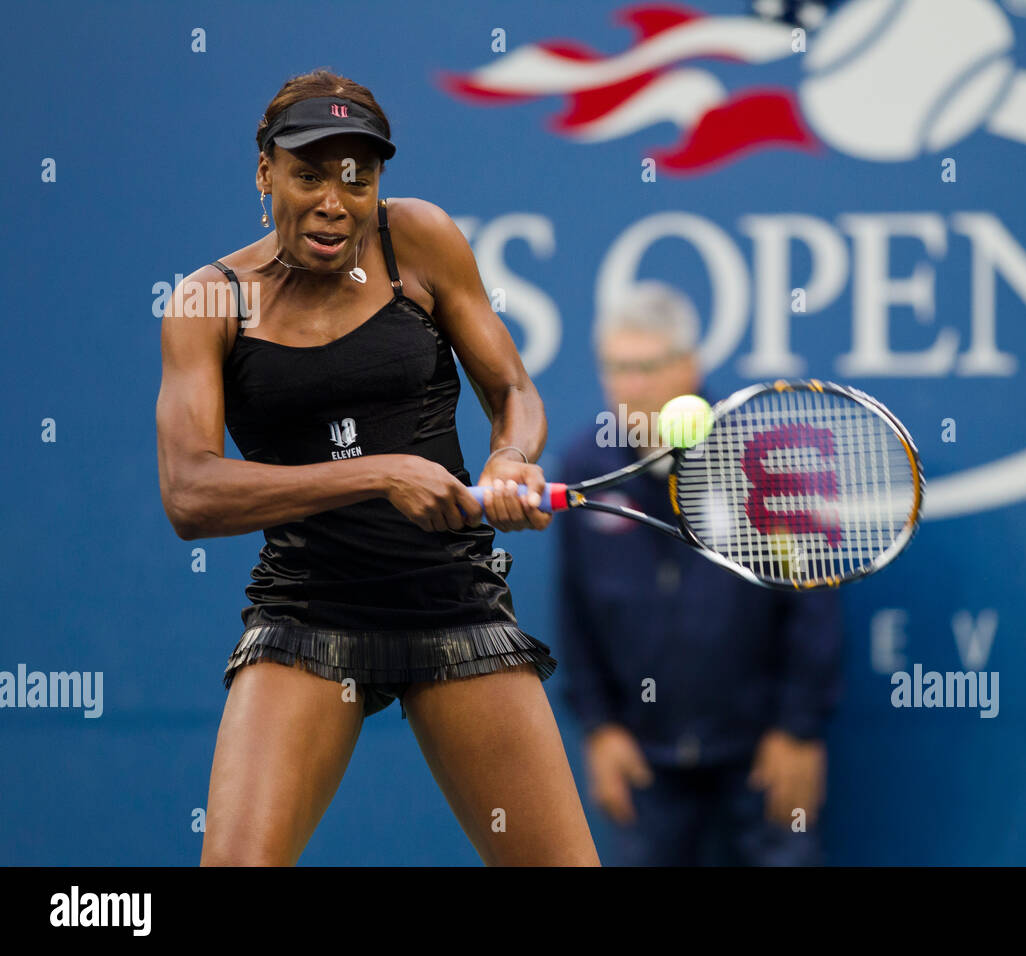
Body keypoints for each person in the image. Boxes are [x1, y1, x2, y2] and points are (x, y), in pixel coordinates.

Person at [155, 69, 598, 866]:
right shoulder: (206, 302)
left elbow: (513, 390)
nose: (335, 200)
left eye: (358, 177)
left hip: (452, 606)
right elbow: (190, 493)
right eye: (309, 173)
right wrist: (378, 473)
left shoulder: (419, 239)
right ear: (265, 173)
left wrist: (509, 456)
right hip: (305, 617)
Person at [556, 282, 845, 866]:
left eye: (647, 367)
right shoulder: (585, 467)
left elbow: (815, 605)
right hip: (644, 761)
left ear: (690, 366)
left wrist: (798, 730)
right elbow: (574, 609)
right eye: (616, 367)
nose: (630, 387)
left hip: (763, 754)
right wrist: (600, 728)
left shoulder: (766, 462)